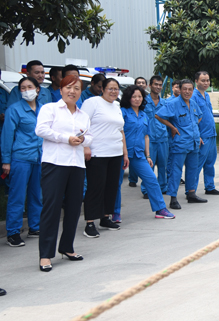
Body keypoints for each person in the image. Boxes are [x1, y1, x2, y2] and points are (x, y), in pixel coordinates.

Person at [36, 75, 92, 272]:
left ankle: (67, 247)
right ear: (60, 90)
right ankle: (45, 255)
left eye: (77, 88)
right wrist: (65, 138)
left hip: (76, 165)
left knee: (74, 207)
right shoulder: (49, 109)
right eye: (68, 87)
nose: (73, 91)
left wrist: (83, 140)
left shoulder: (83, 115)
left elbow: (90, 136)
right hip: (55, 163)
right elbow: (41, 130)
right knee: (51, 209)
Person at [80, 78, 127, 237]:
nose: (114, 92)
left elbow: (121, 131)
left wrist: (124, 153)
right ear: (103, 89)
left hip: (115, 152)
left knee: (112, 186)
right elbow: (82, 125)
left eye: (116, 89)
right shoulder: (92, 103)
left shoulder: (117, 105)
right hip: (97, 153)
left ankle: (105, 217)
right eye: (110, 88)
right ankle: (90, 222)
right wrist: (85, 146)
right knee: (95, 187)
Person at [120, 86, 175, 219]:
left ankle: (160, 209)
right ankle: (115, 213)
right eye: (134, 97)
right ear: (128, 98)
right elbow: (120, 133)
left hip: (138, 154)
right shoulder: (123, 112)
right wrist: (125, 153)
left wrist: (148, 155)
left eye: (140, 96)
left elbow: (146, 136)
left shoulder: (144, 115)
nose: (137, 99)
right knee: (116, 184)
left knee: (151, 179)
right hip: (122, 154)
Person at [2, 77, 43, 247]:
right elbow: (6, 137)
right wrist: (6, 161)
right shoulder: (14, 110)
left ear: (37, 89)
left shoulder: (43, 110)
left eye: (30, 87)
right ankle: (13, 232)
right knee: (17, 196)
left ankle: (35, 226)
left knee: (37, 194)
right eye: (23, 88)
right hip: (20, 158)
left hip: (39, 157)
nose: (27, 90)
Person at [156, 79, 205, 209]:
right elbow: (159, 116)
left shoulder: (193, 103)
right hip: (180, 143)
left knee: (193, 169)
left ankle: (191, 194)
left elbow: (199, 116)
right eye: (185, 89)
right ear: (180, 89)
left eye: (190, 89)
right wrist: (172, 127)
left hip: (194, 142)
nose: (187, 92)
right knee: (176, 171)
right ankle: (173, 198)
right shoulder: (173, 103)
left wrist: (195, 132)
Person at [191, 72, 219, 195]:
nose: (206, 83)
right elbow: (192, 118)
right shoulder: (193, 96)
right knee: (197, 164)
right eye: (203, 80)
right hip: (203, 136)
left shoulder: (206, 95)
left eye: (207, 80)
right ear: (196, 81)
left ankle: (209, 186)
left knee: (210, 163)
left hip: (211, 134)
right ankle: (191, 191)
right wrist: (197, 136)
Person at [141, 76, 169, 196]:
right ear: (150, 85)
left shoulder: (164, 103)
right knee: (148, 166)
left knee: (163, 165)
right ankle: (147, 190)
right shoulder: (143, 102)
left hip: (163, 138)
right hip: (149, 139)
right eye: (155, 84)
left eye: (160, 85)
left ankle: (163, 187)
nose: (158, 87)